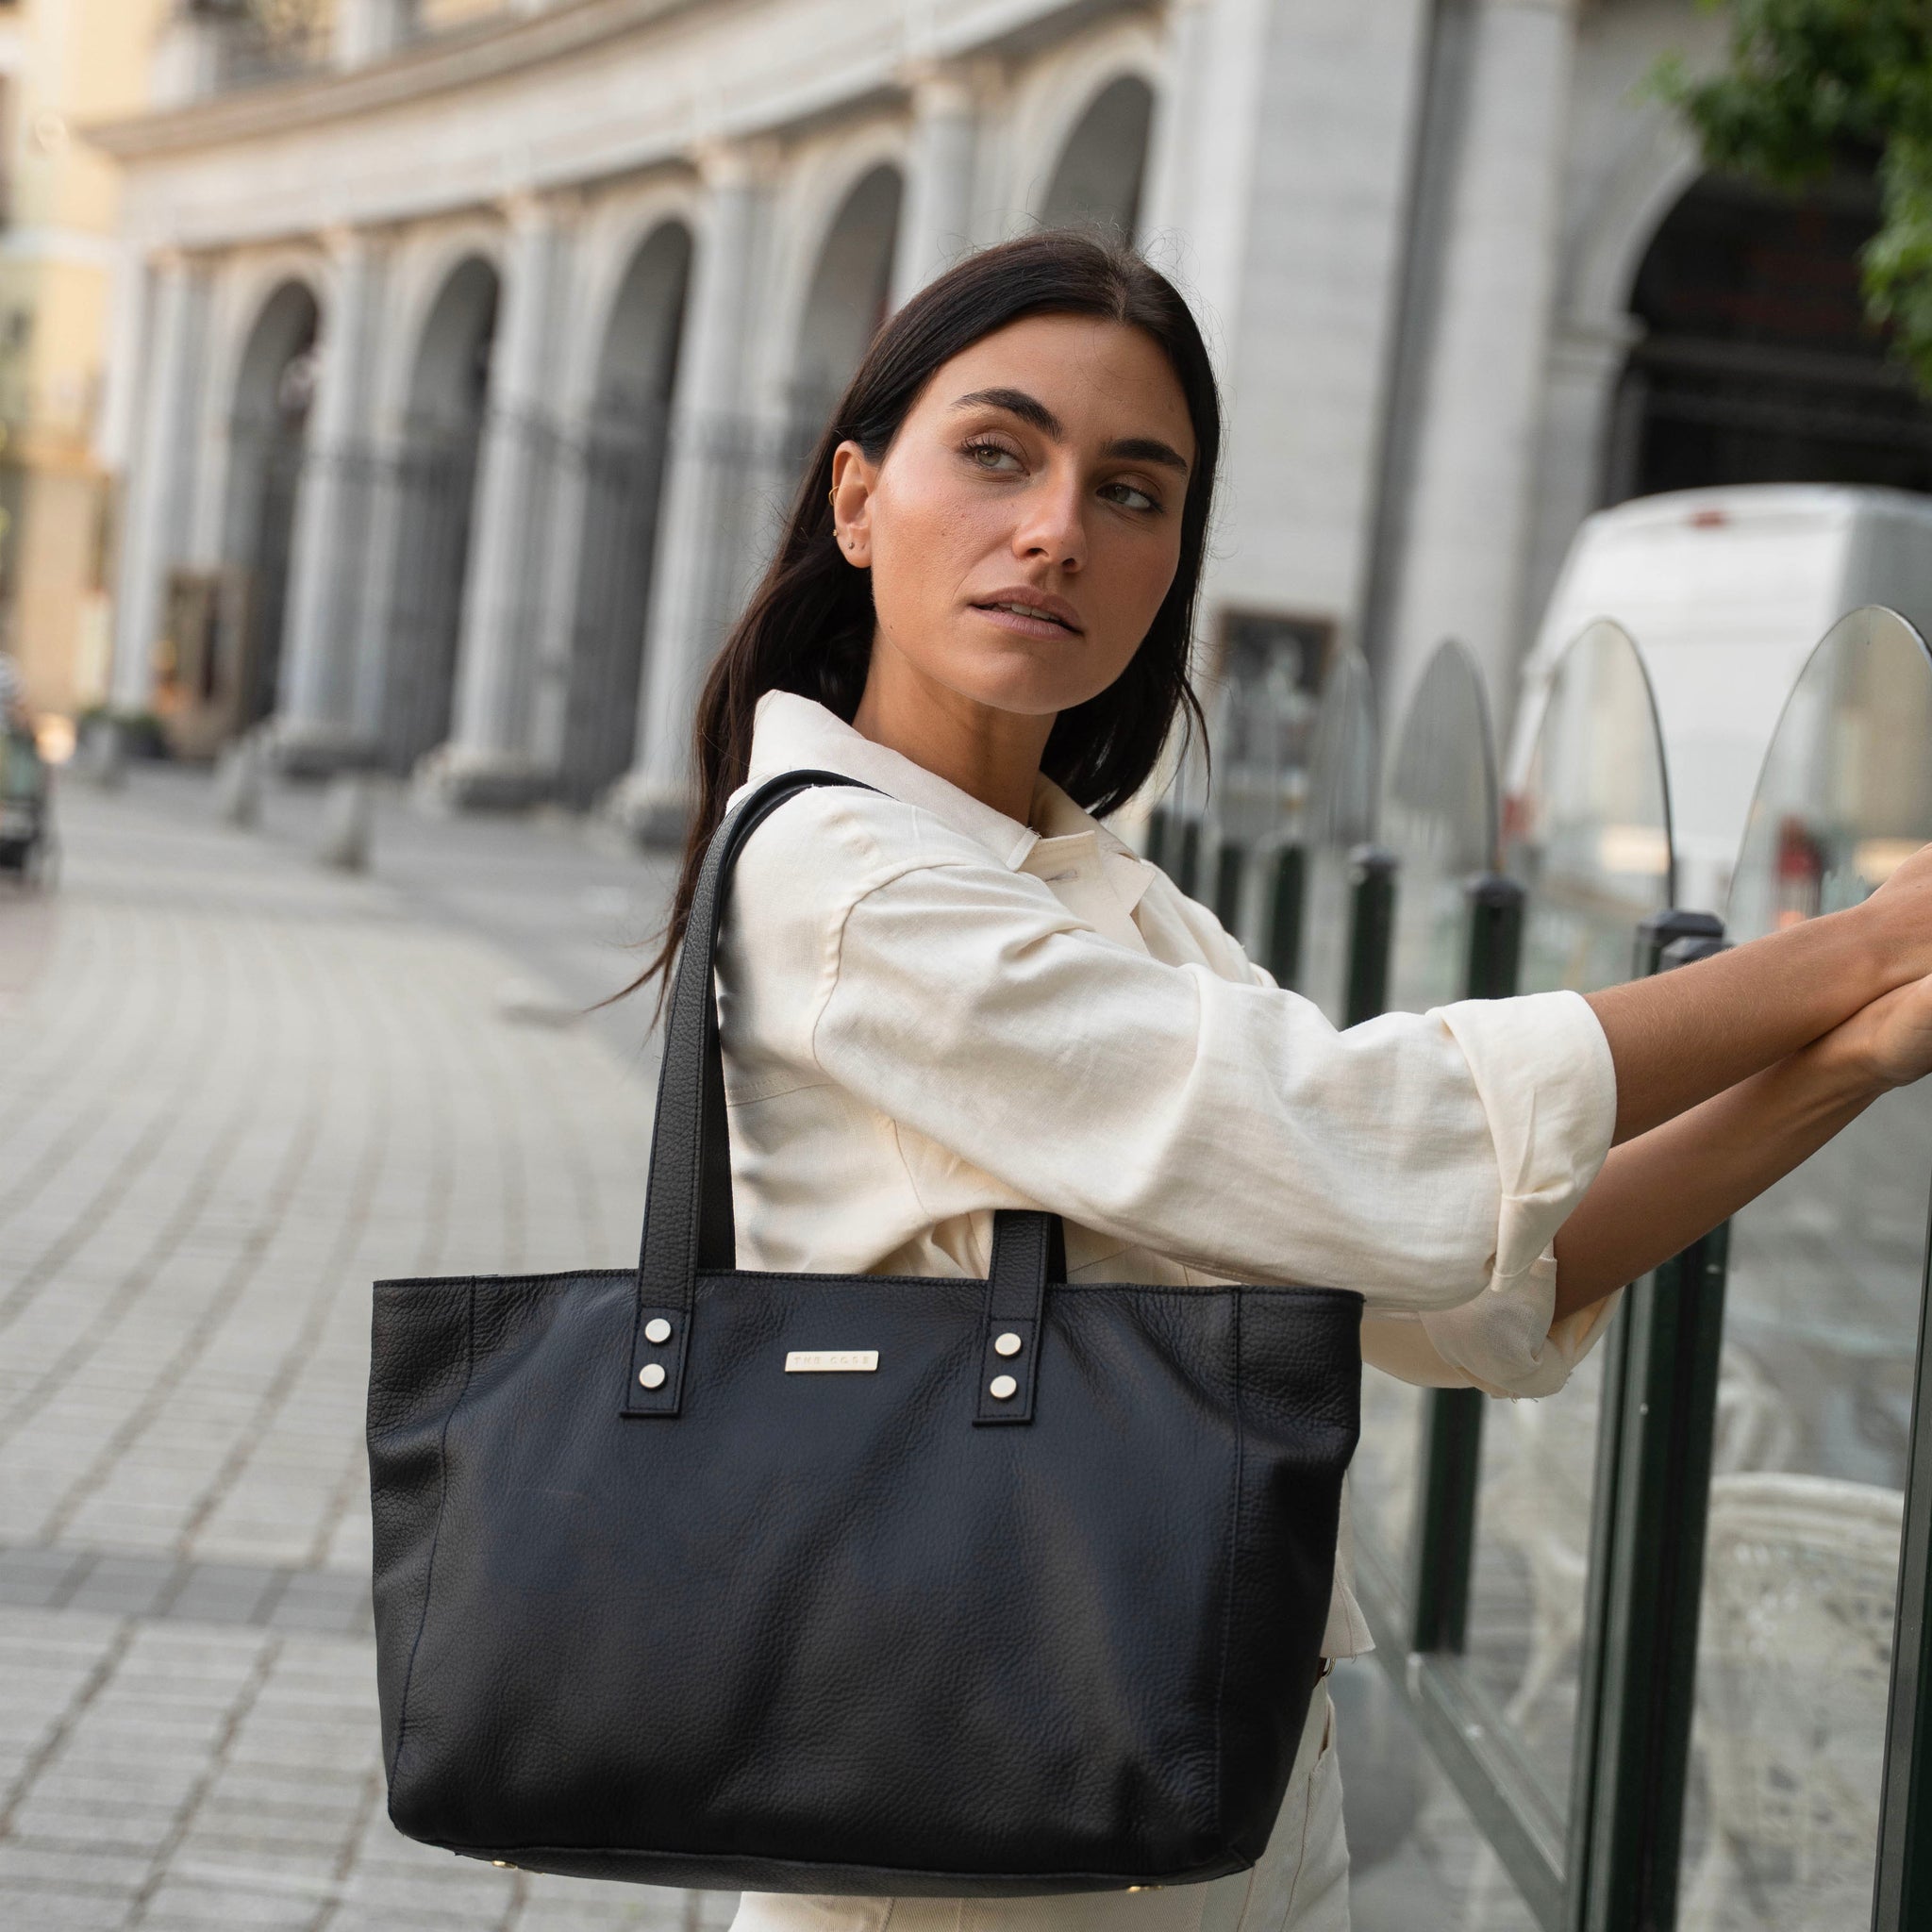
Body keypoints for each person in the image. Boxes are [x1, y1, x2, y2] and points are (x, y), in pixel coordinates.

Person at [636, 230, 1932, 1932]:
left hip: (1213, 1786)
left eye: (1135, 492)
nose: (1058, 531)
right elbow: (1351, 1137)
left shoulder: (1104, 895)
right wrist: (1848, 946)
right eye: (1000, 454)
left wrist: (1854, 1057)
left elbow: (1453, 1287)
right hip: (967, 1824)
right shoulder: (854, 886)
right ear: (859, 499)